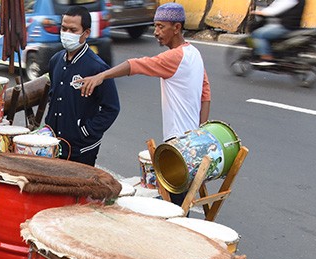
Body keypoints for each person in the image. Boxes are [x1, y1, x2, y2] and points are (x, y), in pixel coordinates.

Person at [77, 3, 210, 143]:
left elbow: (136, 64)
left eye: (161, 26)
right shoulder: (194, 53)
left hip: (179, 140)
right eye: (155, 26)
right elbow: (205, 95)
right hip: (193, 140)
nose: (156, 32)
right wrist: (199, 133)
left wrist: (101, 75)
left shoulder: (174, 57)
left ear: (176, 28)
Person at [45, 6, 119, 166]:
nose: (66, 34)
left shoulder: (97, 68)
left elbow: (111, 108)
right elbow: (53, 95)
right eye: (64, 28)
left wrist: (86, 131)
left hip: (82, 150)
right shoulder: (55, 61)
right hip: (54, 146)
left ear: (85, 33)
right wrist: (48, 125)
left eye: (73, 30)